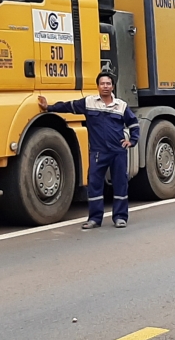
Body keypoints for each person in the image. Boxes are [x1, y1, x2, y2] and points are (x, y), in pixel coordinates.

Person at [38, 72, 139, 229]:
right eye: (102, 84)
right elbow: (68, 106)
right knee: (94, 184)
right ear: (97, 86)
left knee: (120, 184)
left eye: (108, 84)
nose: (105, 86)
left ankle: (120, 217)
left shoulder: (121, 105)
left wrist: (132, 141)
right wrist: (49, 107)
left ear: (112, 86)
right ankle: (94, 219)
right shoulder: (89, 102)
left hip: (118, 152)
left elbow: (133, 123)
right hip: (98, 152)